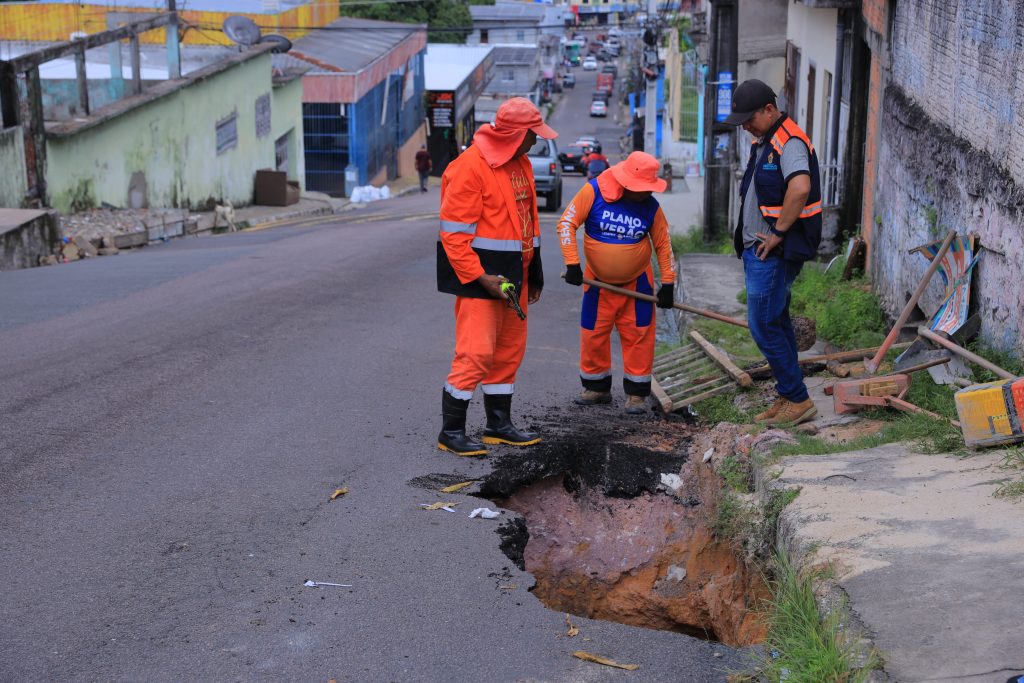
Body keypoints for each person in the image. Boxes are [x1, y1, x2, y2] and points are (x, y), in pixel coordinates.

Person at [436, 97, 558, 456]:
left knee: (508, 352)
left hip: (514, 276)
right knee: (475, 354)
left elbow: (529, 225)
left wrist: (533, 274)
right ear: (516, 134)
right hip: (482, 280)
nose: (536, 142)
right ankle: (451, 432)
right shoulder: (469, 168)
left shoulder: (521, 164)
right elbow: (454, 236)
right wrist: (480, 277)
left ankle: (498, 426)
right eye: (532, 135)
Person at [725, 79, 822, 427]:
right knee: (776, 322)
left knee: (763, 324)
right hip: (759, 250)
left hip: (773, 252)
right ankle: (788, 394)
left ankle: (798, 399)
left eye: (749, 119)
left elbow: (800, 187)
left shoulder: (789, 141)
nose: (746, 126)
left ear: (769, 109)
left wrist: (778, 233)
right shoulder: (766, 139)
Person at [556, 151, 675, 414]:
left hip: (638, 285)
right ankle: (596, 388)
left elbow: (663, 244)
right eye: (642, 188)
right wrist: (572, 264)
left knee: (639, 336)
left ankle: (636, 395)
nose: (647, 193)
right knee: (593, 333)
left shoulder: (651, 206)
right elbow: (566, 223)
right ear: (627, 183)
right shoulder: (594, 191)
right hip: (598, 284)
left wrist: (668, 283)